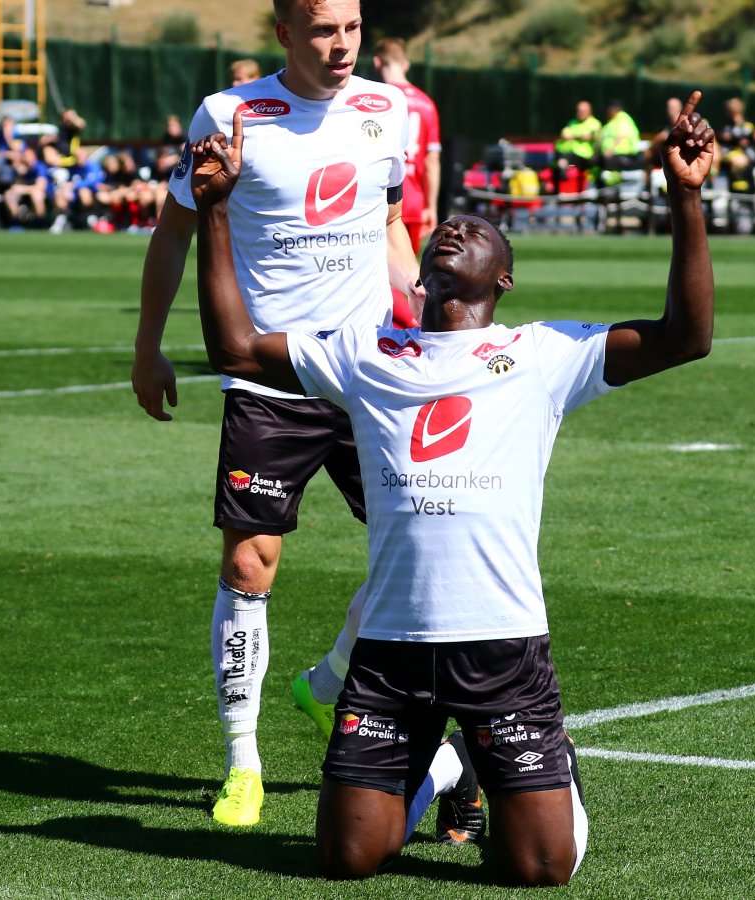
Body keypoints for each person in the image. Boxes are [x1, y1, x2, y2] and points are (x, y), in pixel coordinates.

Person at [188, 88, 716, 885]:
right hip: (390, 655)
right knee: (346, 859)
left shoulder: (543, 354)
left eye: (479, 231)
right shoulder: (365, 353)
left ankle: (535, 762)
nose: (455, 228)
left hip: (503, 646)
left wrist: (686, 199)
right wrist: (215, 211)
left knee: (538, 868)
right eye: (446, 225)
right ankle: (441, 767)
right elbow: (233, 347)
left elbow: (687, 337)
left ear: (504, 278)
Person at [130, 0, 424, 829]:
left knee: (418, 551)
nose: (341, 45)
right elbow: (174, 233)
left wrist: (427, 308)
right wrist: (148, 346)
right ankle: (243, 762)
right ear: (285, 33)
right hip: (268, 378)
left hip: (369, 376)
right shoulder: (230, 114)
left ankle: (326, 684)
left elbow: (390, 226)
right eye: (324, 29)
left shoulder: (387, 108)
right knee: (249, 567)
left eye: (352, 28)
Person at [373, 38, 441, 252]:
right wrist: (430, 206)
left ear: (377, 62)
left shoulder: (374, 101)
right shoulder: (427, 103)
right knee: (407, 269)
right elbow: (432, 161)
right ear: (406, 65)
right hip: (413, 202)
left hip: (379, 199)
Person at [717, 97, 755, 188]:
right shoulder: (726, 125)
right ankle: (736, 183)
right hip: (730, 153)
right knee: (738, 160)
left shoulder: (747, 124)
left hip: (747, 154)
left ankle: (744, 184)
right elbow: (723, 136)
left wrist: (747, 134)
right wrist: (734, 135)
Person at [597, 98, 642, 171]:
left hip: (623, 155)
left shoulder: (623, 118)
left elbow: (621, 136)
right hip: (613, 155)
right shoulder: (612, 121)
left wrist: (610, 150)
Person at [554, 100, 599, 173]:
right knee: (558, 160)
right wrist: (579, 137)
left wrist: (572, 137)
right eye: (578, 110)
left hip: (584, 157)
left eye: (582, 111)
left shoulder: (594, 123)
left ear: (589, 112)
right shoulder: (572, 122)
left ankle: (563, 175)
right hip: (566, 153)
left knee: (564, 161)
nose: (580, 113)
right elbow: (564, 135)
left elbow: (588, 136)